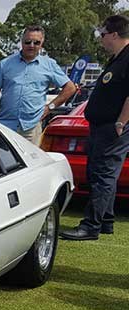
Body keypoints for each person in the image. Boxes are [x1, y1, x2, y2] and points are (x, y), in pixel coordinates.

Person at [61, 15, 129, 240]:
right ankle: (105, 221)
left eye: (103, 35)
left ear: (115, 35)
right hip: (103, 125)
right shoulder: (117, 58)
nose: (101, 40)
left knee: (103, 175)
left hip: (114, 126)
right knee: (100, 173)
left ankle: (90, 226)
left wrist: (121, 122)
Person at [0, 25, 75, 145]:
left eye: (36, 42)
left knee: (32, 163)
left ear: (41, 44)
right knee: (5, 162)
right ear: (21, 42)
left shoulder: (49, 64)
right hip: (5, 127)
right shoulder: (6, 64)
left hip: (31, 128)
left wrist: (50, 107)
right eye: (28, 42)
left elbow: (70, 88)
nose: (31, 45)